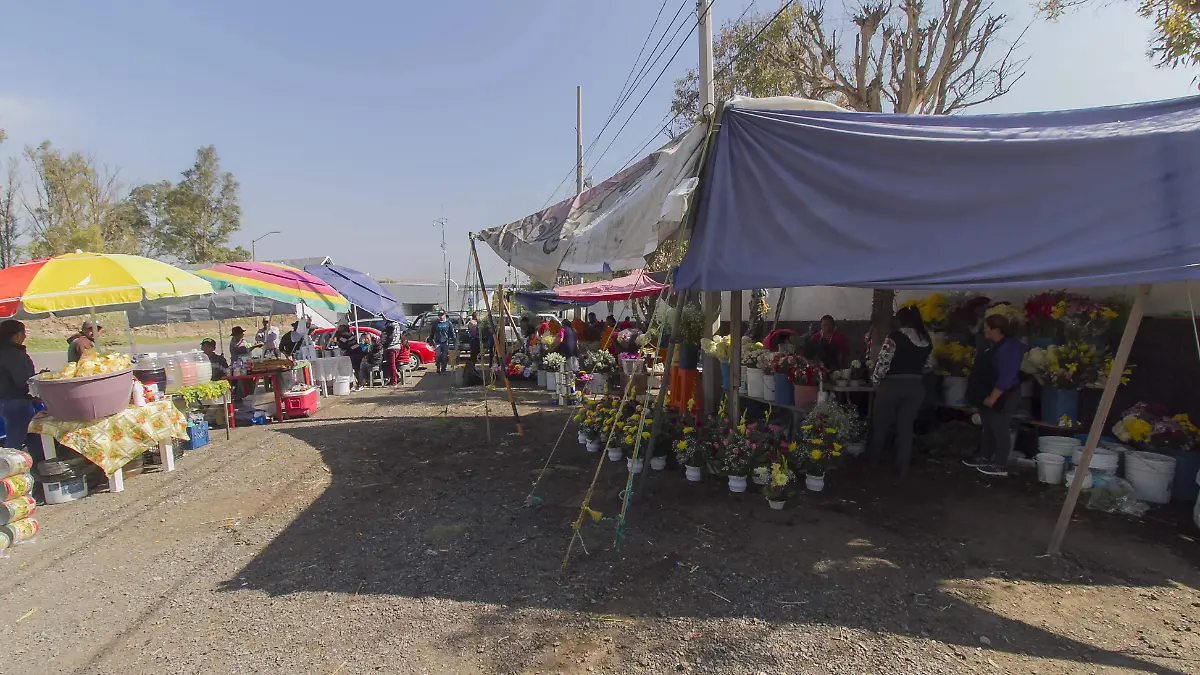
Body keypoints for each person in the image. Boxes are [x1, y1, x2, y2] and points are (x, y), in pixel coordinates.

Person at [868, 307, 934, 476]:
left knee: (881, 423)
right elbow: (929, 365)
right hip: (916, 387)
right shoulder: (926, 340)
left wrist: (875, 381)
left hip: (892, 385)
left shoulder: (894, 337)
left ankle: (873, 461)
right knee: (906, 427)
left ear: (900, 320)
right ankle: (903, 466)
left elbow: (883, 362)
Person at [962, 314, 1027, 477]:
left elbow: (1007, 375)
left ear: (996, 330)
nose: (984, 330)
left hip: (1003, 396)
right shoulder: (991, 345)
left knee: (999, 428)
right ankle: (985, 457)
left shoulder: (1010, 348)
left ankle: (1000, 464)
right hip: (985, 394)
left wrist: (994, 396)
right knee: (988, 428)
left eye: (986, 327)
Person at [0, 320, 36, 450]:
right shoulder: (13, 354)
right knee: (16, 439)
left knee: (20, 434)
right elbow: (21, 380)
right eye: (24, 333)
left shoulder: (4, 351)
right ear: (17, 335)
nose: (25, 336)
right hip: (16, 402)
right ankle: (11, 467)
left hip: (5, 400)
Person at [379, 318, 404, 384]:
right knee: (392, 364)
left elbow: (390, 337)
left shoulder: (390, 325)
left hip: (391, 347)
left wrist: (385, 346)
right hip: (396, 346)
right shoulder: (397, 324)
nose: (383, 318)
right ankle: (396, 377)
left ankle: (394, 381)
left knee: (391, 364)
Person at [429, 310, 453, 375]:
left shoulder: (448, 323)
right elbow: (432, 333)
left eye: (442, 315)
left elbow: (452, 333)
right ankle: (438, 367)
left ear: (445, 315)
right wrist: (430, 341)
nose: (441, 316)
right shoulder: (435, 323)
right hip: (437, 342)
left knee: (444, 356)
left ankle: (443, 369)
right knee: (437, 355)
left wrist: (454, 340)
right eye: (440, 315)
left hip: (445, 342)